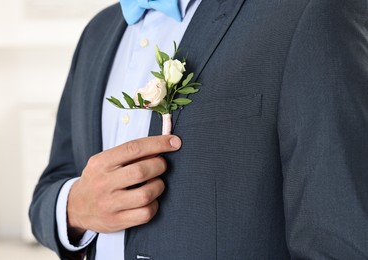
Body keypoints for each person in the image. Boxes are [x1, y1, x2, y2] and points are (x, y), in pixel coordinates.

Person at [29, 0, 368, 259]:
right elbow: (50, 187)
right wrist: (74, 207)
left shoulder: (311, 11)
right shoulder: (96, 33)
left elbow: (340, 237)